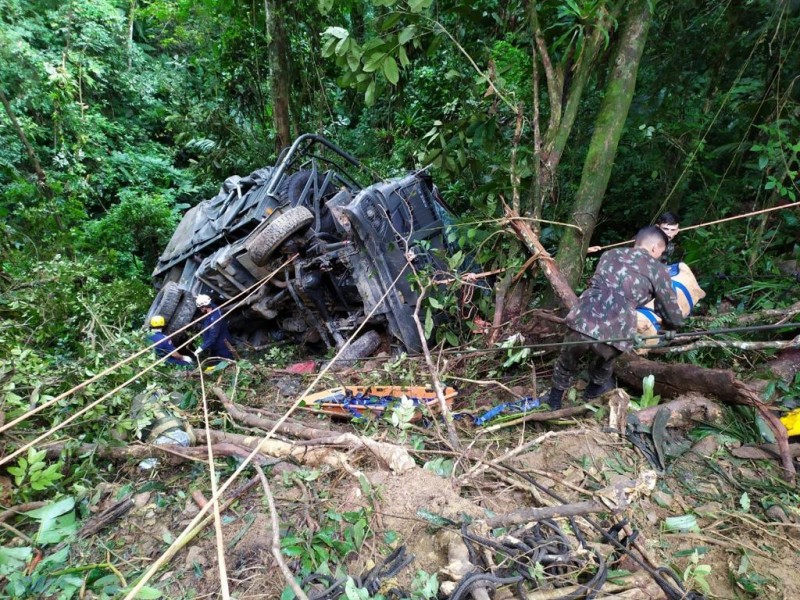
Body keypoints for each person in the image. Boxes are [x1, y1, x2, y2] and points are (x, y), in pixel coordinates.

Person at [542, 226, 684, 410]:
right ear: (655, 249)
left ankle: (554, 401)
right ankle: (591, 396)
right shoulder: (659, 270)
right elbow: (669, 308)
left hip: (583, 316)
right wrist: (672, 327)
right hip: (617, 327)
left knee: (567, 360)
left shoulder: (610, 254)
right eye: (661, 252)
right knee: (605, 362)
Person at [195, 294, 234, 362]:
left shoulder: (214, 318)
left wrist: (201, 348)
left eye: (200, 307)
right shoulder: (212, 308)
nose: (200, 309)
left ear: (204, 307)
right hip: (214, 347)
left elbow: (213, 337)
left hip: (222, 347)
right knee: (212, 366)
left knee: (225, 365)